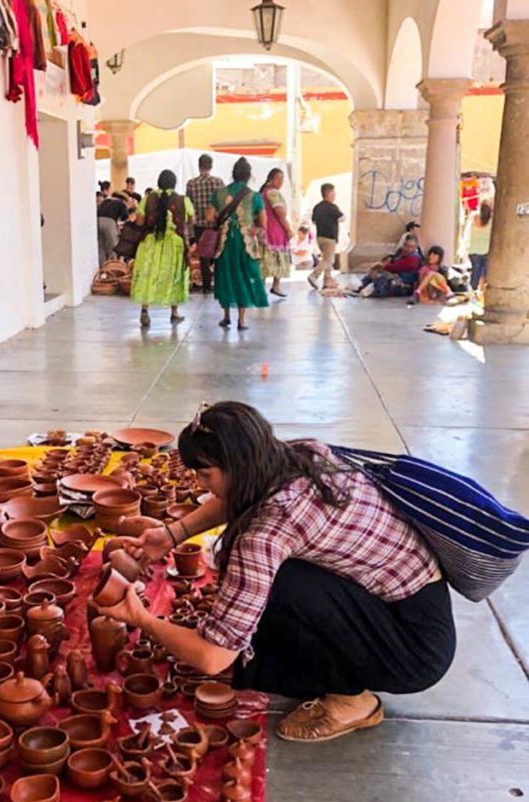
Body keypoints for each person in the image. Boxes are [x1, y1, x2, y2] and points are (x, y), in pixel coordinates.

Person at [98, 401, 455, 743]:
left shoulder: (267, 535)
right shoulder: (302, 453)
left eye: (205, 474)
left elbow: (212, 657)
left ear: (239, 465)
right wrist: (171, 534)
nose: (200, 485)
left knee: (279, 588)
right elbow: (240, 495)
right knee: (272, 593)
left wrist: (140, 617)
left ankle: (353, 702)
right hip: (410, 605)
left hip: (414, 648)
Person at [207, 157, 268, 330]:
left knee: (226, 275)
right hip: (246, 243)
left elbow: (209, 217)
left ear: (233, 175)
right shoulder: (254, 196)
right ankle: (241, 320)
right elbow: (263, 222)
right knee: (243, 276)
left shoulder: (219, 193)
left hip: (224, 242)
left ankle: (226, 316)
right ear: (249, 176)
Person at [130, 169, 193, 328]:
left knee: (148, 274)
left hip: (151, 241)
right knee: (173, 276)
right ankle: (174, 312)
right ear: (174, 183)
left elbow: (139, 222)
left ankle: (145, 310)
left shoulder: (147, 199)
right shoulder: (182, 200)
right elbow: (191, 219)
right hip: (174, 244)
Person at [186, 154, 225, 294]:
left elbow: (189, 207)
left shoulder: (191, 184)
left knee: (203, 256)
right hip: (215, 225)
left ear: (199, 165)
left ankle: (206, 286)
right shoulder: (218, 183)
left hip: (199, 226)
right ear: (211, 166)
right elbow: (223, 204)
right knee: (217, 254)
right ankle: (220, 283)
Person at [259, 167, 293, 298]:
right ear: (271, 179)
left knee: (265, 260)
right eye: (278, 178)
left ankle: (264, 288)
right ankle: (275, 285)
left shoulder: (264, 192)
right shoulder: (272, 193)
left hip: (268, 230)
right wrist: (289, 229)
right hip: (274, 231)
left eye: (282, 178)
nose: (281, 181)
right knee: (273, 259)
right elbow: (280, 213)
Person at [356, 233, 422, 297]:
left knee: (382, 280)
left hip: (404, 284)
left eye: (412, 247)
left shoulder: (414, 258)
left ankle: (371, 291)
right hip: (395, 276)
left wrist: (382, 266)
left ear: (415, 247)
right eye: (407, 246)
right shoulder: (401, 252)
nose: (409, 249)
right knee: (373, 274)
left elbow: (395, 267)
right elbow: (392, 260)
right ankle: (360, 286)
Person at [308, 182, 343, 290]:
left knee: (327, 258)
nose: (335, 195)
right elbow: (342, 218)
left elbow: (313, 221)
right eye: (333, 192)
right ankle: (314, 275)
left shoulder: (317, 207)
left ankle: (327, 280)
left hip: (320, 237)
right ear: (329, 193)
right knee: (328, 260)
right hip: (330, 237)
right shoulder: (332, 207)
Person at [97, 183, 128, 266]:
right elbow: (124, 217)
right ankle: (113, 269)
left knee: (101, 246)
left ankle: (102, 269)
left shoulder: (103, 202)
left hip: (98, 221)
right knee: (114, 247)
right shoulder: (120, 202)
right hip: (109, 222)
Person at [464, 199, 492, 292]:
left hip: (473, 250)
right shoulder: (491, 220)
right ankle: (482, 291)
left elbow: (467, 231)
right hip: (486, 250)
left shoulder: (474, 216)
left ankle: (472, 291)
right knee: (483, 273)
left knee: (475, 272)